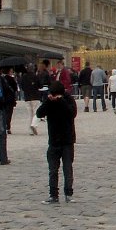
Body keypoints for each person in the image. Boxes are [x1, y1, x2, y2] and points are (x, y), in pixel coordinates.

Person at [39, 72, 79, 203]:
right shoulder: (50, 102)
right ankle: (53, 195)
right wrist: (47, 101)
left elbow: (71, 113)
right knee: (53, 170)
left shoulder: (67, 99)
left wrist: (61, 100)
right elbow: (39, 113)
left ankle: (68, 193)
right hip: (54, 141)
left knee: (68, 168)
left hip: (67, 140)